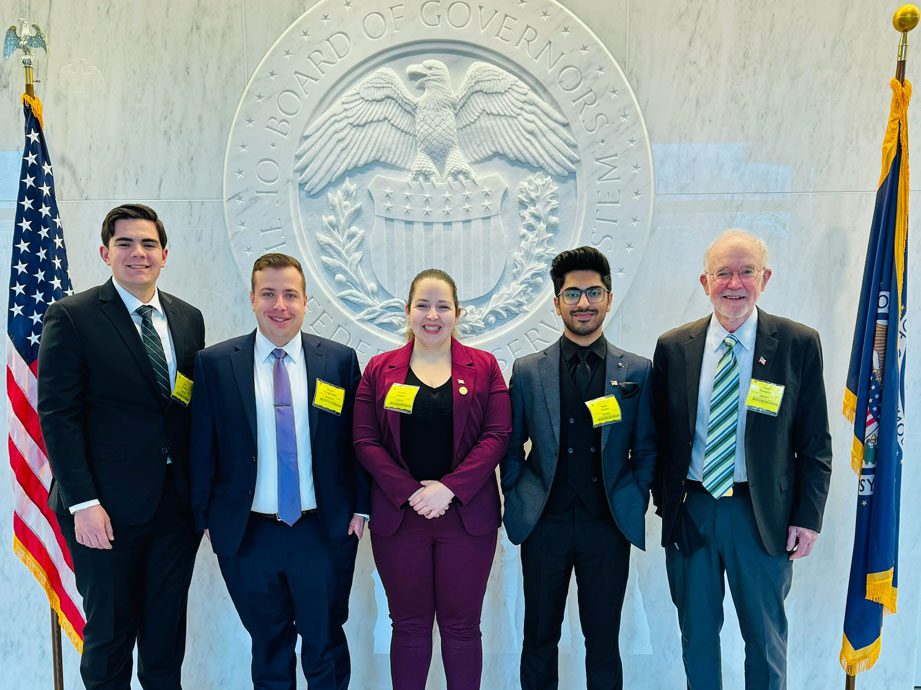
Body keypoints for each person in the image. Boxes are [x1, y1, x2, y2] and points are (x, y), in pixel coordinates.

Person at [652, 229, 832, 689]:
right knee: (697, 639)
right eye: (723, 273)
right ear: (704, 281)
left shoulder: (797, 343)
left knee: (765, 639)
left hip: (761, 515)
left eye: (746, 271)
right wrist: (666, 505)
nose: (735, 283)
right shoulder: (674, 347)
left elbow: (815, 443)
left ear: (765, 277)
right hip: (693, 512)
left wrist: (808, 518)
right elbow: (658, 437)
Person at [37, 203, 205, 690]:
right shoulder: (72, 316)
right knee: (110, 637)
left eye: (148, 244)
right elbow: (58, 415)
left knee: (165, 638)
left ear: (165, 254)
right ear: (105, 252)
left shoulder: (188, 318)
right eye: (125, 243)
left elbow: (185, 408)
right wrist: (83, 503)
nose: (138, 253)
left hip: (175, 508)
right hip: (103, 511)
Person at [189, 252, 369, 690]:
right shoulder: (215, 364)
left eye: (290, 294)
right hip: (249, 536)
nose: (279, 305)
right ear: (251, 299)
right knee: (269, 649)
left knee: (324, 646)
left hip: (321, 532)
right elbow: (200, 447)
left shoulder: (339, 362)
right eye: (268, 294)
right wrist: (207, 518)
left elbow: (359, 441)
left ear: (307, 301)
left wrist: (361, 510)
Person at [499, 246, 656, 690]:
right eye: (572, 294)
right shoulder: (529, 371)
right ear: (556, 302)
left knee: (603, 642)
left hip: (607, 525)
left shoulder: (638, 371)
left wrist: (635, 495)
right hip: (543, 524)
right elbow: (511, 446)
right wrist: (517, 494)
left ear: (608, 297)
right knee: (539, 639)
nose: (583, 303)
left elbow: (646, 449)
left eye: (592, 292)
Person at [353, 268, 511, 690]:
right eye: (422, 305)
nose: (432, 315)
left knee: (462, 627)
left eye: (442, 306)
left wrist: (449, 488)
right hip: (400, 519)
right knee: (408, 626)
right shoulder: (378, 369)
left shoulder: (485, 367)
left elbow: (497, 436)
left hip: (466, 519)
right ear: (407, 312)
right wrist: (410, 493)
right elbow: (365, 440)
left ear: (458, 313)